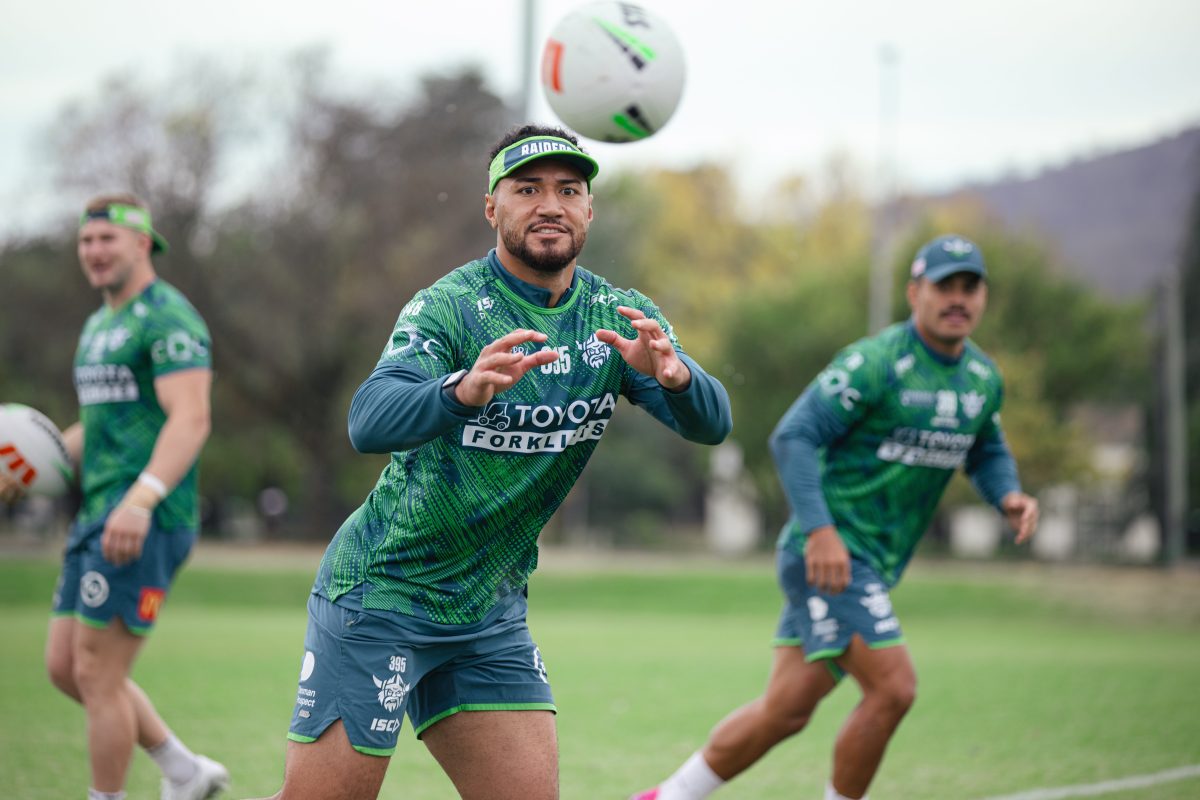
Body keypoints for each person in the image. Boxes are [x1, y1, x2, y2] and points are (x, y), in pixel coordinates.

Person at [260, 123, 732, 800]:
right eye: (528, 189)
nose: (551, 205)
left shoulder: (617, 316)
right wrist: (461, 390)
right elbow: (367, 420)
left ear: (589, 211)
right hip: (384, 595)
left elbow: (712, 425)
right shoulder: (448, 308)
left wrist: (678, 378)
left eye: (570, 190)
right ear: (492, 208)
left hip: (488, 614)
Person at [632, 234, 1040, 800]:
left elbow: (985, 446)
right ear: (914, 292)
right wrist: (821, 532)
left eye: (970, 287)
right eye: (945, 286)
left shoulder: (981, 379)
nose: (958, 298)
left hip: (868, 560)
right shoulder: (876, 363)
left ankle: (663, 797)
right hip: (831, 556)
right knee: (894, 689)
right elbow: (795, 436)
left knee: (786, 711)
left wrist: (1008, 495)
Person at [0, 194, 228, 800]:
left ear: (142, 243)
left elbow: (191, 419)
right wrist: (29, 463)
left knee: (98, 673)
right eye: (86, 241)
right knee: (64, 668)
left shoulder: (168, 319)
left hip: (146, 518)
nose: (94, 252)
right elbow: (96, 427)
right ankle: (185, 772)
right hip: (99, 513)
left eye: (107, 240)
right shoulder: (99, 325)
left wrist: (142, 500)